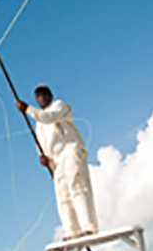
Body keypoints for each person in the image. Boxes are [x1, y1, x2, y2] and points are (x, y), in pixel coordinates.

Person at [16, 85, 99, 239]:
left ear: (50, 95)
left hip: (71, 152)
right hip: (57, 162)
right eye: (38, 96)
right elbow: (40, 142)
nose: (41, 98)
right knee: (63, 196)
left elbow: (49, 118)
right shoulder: (38, 122)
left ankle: (89, 226)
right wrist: (42, 156)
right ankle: (71, 231)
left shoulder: (60, 106)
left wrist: (28, 109)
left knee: (78, 187)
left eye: (43, 94)